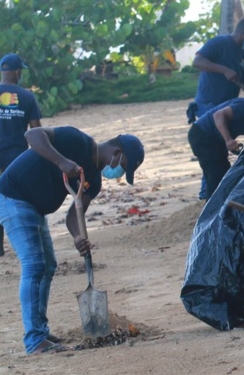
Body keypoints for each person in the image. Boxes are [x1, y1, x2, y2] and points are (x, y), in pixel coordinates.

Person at [0, 126, 144, 355]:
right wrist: (61, 162)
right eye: (123, 166)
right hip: (13, 196)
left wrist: (78, 236)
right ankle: (35, 340)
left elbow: (72, 216)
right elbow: (32, 135)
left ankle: (40, 331)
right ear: (117, 152)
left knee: (48, 265)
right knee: (34, 264)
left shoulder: (94, 181)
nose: (117, 172)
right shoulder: (77, 140)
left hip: (34, 208)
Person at [188, 17, 244, 200]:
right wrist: (224, 70)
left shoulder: (242, 56)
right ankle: (208, 194)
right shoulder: (219, 43)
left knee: (219, 153)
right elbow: (197, 62)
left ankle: (216, 193)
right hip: (209, 105)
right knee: (212, 148)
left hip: (229, 107)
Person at [0, 53, 41, 256]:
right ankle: (26, 243)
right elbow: (36, 131)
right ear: (18, 72)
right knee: (18, 200)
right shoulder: (27, 97)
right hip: (16, 159)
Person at [188, 98, 244, 199]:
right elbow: (218, 115)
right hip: (202, 135)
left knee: (225, 176)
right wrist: (228, 139)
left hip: (217, 141)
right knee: (216, 177)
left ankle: (217, 207)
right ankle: (211, 211)